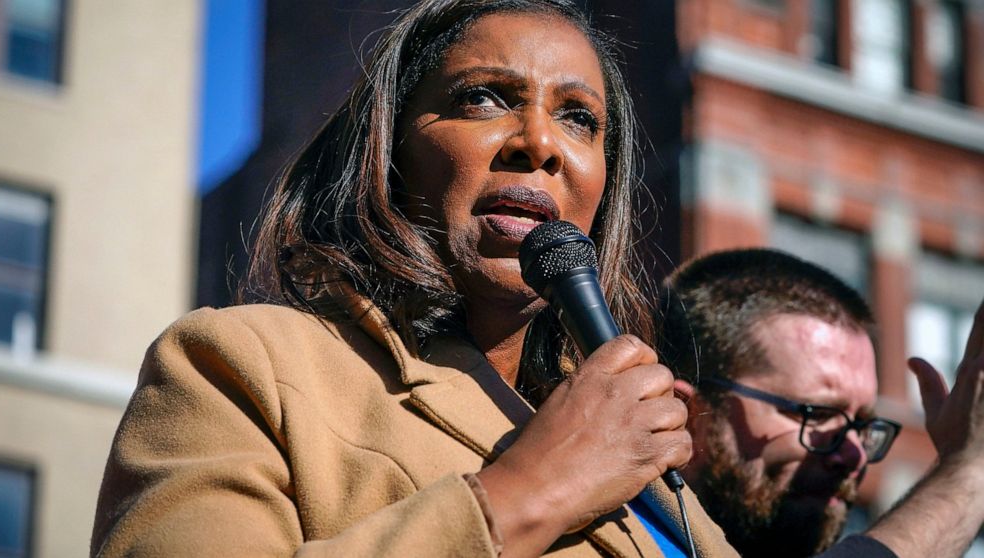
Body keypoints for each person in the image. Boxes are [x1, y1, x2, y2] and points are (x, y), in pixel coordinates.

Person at [91, 1, 737, 556]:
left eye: (578, 118)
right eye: (482, 98)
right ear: (388, 151)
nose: (539, 142)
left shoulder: (642, 446)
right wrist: (538, 488)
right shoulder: (239, 365)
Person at [656, 248, 984, 557]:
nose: (855, 455)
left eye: (862, 425)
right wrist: (968, 472)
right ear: (687, 417)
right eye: (817, 414)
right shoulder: (626, 531)